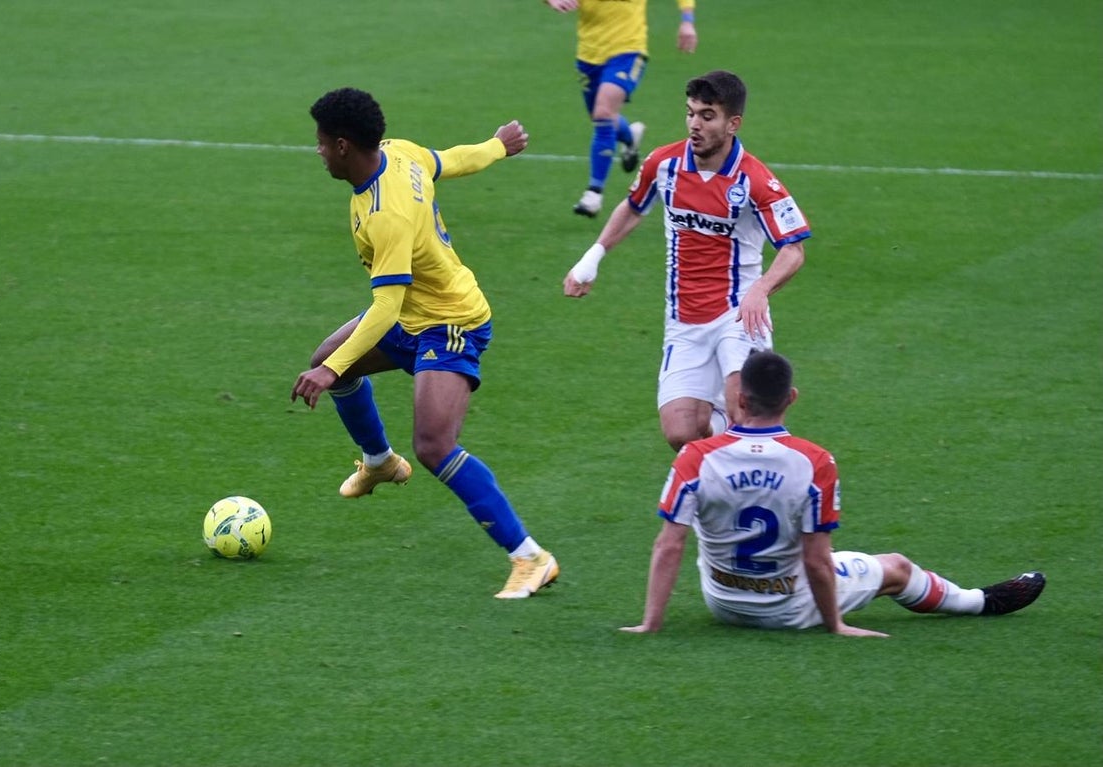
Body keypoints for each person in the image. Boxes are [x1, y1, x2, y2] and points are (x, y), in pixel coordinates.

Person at [290, 87, 559, 600]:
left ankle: (530, 557)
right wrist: (498, 145)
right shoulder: (399, 151)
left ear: (344, 145)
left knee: (434, 446)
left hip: (449, 322)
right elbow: (451, 160)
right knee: (331, 359)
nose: (318, 150)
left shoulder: (384, 215)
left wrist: (329, 373)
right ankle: (378, 463)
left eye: (322, 142)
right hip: (414, 314)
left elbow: (386, 307)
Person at [620, 350, 1047, 635]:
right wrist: (836, 625)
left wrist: (650, 624)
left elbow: (669, 545)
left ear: (740, 400)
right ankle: (979, 602)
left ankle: (976, 601)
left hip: (723, 601)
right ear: (791, 398)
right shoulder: (814, 461)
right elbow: (816, 561)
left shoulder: (695, 456)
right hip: (785, 609)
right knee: (895, 568)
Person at [564, 69, 810, 451]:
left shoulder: (756, 181)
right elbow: (632, 208)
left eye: (707, 116)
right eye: (691, 113)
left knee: (742, 408)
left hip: (738, 313)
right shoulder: (664, 164)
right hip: (683, 318)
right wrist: (592, 257)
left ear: (733, 124)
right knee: (681, 432)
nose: (695, 124)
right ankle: (724, 452)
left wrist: (761, 290)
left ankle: (741, 485)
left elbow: (793, 249)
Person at [544, 0, 699, 217]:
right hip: (589, 54)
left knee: (603, 114)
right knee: (602, 119)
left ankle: (593, 193)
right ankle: (630, 137)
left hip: (628, 51)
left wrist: (687, 21)